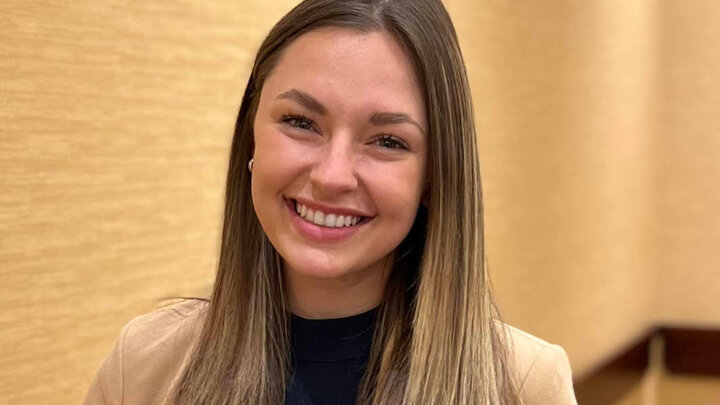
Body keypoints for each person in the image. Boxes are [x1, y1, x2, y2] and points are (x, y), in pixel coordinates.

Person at [83, 0, 577, 404]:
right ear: (250, 140)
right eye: (301, 122)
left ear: (434, 178)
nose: (332, 176)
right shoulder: (145, 366)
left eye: (387, 141)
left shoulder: (524, 385)